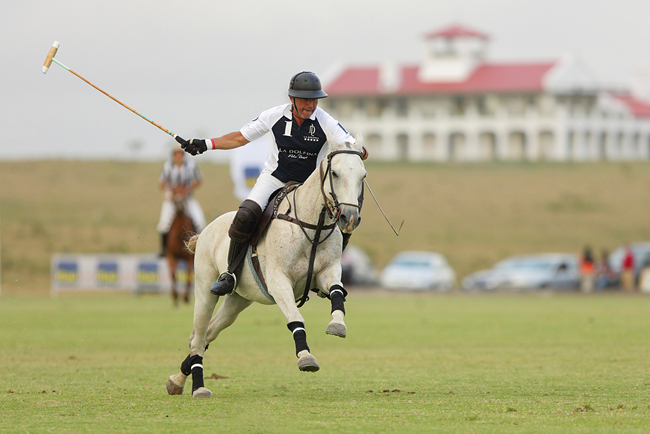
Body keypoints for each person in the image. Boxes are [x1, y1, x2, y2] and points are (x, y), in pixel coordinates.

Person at [175, 71, 357, 296]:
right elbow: (240, 138)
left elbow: (349, 144)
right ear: (292, 99)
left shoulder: (325, 120)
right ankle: (230, 273)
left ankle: (326, 275)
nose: (311, 105)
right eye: (305, 100)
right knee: (246, 213)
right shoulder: (274, 116)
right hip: (275, 178)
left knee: (344, 218)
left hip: (309, 187)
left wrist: (361, 151)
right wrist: (206, 144)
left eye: (314, 99)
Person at [156, 145, 206, 256]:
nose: (178, 157)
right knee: (163, 224)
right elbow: (162, 182)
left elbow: (198, 180)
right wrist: (168, 193)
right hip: (171, 199)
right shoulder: (167, 166)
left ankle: (201, 248)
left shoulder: (191, 166)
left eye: (180, 154)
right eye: (176, 155)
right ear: (173, 156)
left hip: (187, 198)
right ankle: (164, 249)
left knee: (200, 220)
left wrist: (187, 190)